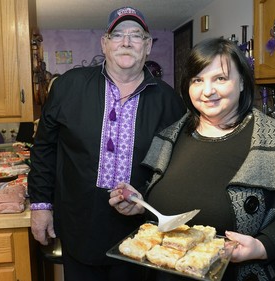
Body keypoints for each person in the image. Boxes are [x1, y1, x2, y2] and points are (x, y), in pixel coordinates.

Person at [109, 37, 275, 281]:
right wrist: (140, 205)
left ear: (242, 83)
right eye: (197, 80)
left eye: (220, 78)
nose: (207, 91)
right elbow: (160, 209)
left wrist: (263, 247)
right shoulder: (168, 138)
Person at [28, 6, 186, 281]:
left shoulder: (169, 101)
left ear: (147, 46)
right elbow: (44, 149)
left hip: (140, 235)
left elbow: (176, 169)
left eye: (136, 35)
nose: (126, 42)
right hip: (78, 226)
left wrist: (146, 198)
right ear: (105, 42)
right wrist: (41, 206)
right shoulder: (68, 86)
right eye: (118, 34)